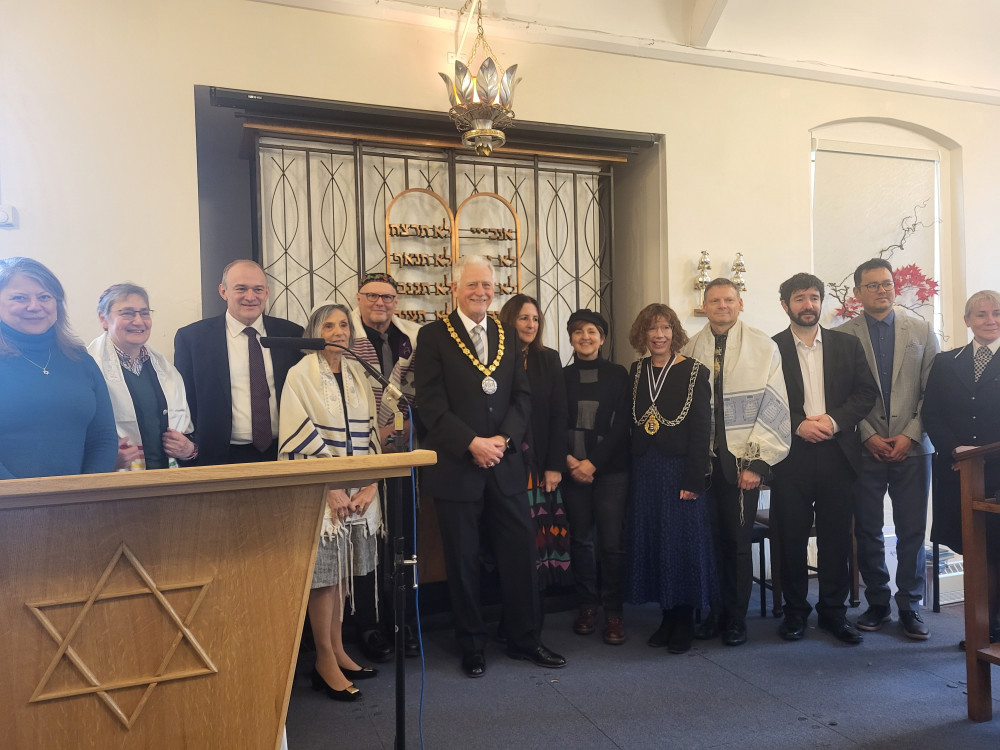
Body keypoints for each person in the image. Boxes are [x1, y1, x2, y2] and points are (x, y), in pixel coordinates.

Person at [415, 254, 566, 677]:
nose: (481, 292)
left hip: (505, 464)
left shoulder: (505, 333)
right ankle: (472, 644)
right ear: (454, 288)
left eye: (487, 285)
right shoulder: (432, 336)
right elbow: (430, 404)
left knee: (520, 553)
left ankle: (524, 638)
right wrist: (471, 443)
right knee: (462, 562)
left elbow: (522, 397)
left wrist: (501, 440)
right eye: (472, 285)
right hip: (457, 467)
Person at [278, 303, 383, 702]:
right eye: (329, 324)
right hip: (321, 495)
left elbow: (372, 431)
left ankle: (339, 649)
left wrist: (369, 484)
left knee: (341, 574)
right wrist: (331, 486)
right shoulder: (300, 374)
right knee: (323, 577)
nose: (338, 331)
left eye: (344, 324)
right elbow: (295, 430)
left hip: (356, 495)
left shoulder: (358, 372)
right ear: (313, 331)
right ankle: (323, 660)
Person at [682, 279, 791, 646]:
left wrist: (757, 464)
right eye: (714, 300)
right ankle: (714, 614)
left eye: (729, 299)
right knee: (708, 543)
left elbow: (775, 406)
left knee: (737, 544)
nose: (722, 305)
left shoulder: (764, 347)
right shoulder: (690, 348)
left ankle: (736, 620)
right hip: (704, 464)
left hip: (741, 463)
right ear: (705, 305)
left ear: (740, 303)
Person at [771, 273, 878, 644]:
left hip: (838, 454)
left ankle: (834, 612)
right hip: (791, 457)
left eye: (814, 297)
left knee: (835, 538)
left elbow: (866, 394)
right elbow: (763, 402)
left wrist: (833, 421)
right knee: (791, 537)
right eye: (799, 298)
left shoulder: (846, 345)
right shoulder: (770, 349)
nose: (808, 305)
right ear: (785, 305)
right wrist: (799, 424)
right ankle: (795, 612)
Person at [835, 259, 939, 640]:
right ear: (858, 292)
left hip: (914, 447)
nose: (882, 290)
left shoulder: (922, 330)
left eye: (887, 283)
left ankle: (910, 605)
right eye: (873, 285)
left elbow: (933, 390)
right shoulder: (842, 336)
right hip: (864, 448)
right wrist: (867, 435)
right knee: (867, 528)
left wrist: (911, 433)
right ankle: (877, 601)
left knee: (912, 529)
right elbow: (840, 396)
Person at [624, 304, 712, 655]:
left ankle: (685, 619)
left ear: (675, 332)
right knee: (656, 540)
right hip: (646, 470)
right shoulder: (636, 370)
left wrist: (694, 478)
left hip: (680, 471)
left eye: (665, 328)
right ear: (642, 334)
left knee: (681, 543)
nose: (658, 335)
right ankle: (666, 614)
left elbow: (702, 430)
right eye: (651, 329)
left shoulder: (694, 371)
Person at [348, 272, 422, 662]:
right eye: (372, 295)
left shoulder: (412, 338)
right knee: (367, 540)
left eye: (388, 297)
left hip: (403, 452)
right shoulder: (343, 335)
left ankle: (403, 622)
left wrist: (406, 423)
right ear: (358, 298)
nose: (381, 303)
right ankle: (370, 627)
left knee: (403, 540)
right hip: (360, 452)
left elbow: (423, 388)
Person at [922, 290, 1000, 648]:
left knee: (997, 550)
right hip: (957, 471)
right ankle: (978, 631)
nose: (990, 320)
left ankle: (996, 629)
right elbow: (932, 414)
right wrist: (956, 448)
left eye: (997, 313)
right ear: (967, 320)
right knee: (971, 548)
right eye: (981, 314)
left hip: (997, 473)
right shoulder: (946, 361)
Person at [173, 260, 303, 465]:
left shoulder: (292, 335)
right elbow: (184, 400)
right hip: (219, 457)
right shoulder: (192, 339)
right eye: (241, 289)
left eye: (258, 289)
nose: (250, 297)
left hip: (283, 453)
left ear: (267, 293)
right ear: (223, 291)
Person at [0, 256, 117, 479]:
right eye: (19, 298)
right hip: (8, 506)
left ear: (57, 304)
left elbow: (103, 437)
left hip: (78, 505)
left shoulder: (81, 360)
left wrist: (85, 493)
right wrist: (22, 501)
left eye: (44, 297)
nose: (34, 306)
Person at [561, 308, 631, 644]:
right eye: (578, 332)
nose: (585, 337)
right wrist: (571, 461)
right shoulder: (561, 377)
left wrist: (593, 463)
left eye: (592, 331)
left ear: (602, 338)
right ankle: (587, 605)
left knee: (612, 544)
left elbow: (622, 426)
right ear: (571, 338)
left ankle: (614, 611)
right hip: (572, 468)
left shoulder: (619, 374)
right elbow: (553, 422)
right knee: (581, 541)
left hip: (611, 471)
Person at [499, 293, 571, 592]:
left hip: (541, 462)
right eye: (523, 318)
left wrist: (555, 465)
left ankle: (537, 604)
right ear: (509, 321)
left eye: (535, 319)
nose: (531, 324)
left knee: (540, 533)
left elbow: (559, 415)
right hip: (506, 461)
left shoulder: (548, 358)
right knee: (510, 539)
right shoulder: (496, 357)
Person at [88, 283, 197, 470]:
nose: (138, 321)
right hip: (115, 488)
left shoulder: (167, 371)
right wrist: (105, 459)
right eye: (127, 313)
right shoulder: (88, 368)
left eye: (144, 313)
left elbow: (187, 435)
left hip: (166, 482)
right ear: (103, 319)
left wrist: (189, 449)